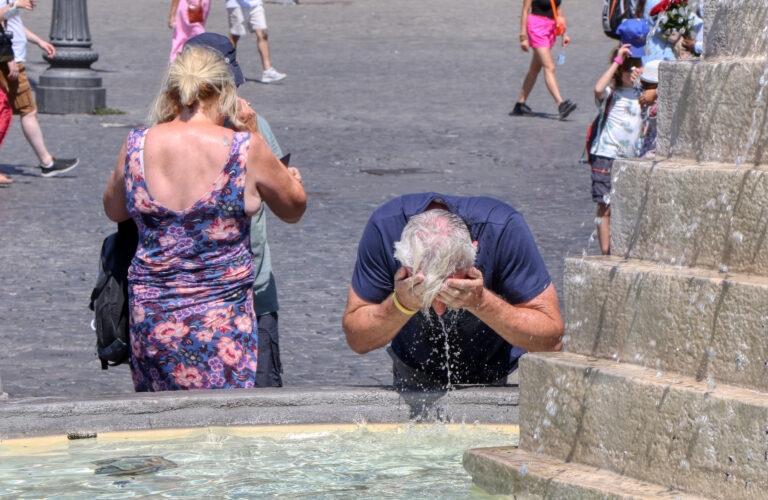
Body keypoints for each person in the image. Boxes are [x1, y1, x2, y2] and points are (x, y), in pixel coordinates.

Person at [102, 44, 306, 391]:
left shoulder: (136, 144)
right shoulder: (244, 147)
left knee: (164, 427)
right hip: (221, 320)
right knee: (225, 430)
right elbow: (293, 208)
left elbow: (114, 209)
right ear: (224, 91)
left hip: (154, 320)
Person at [342, 194, 564, 390]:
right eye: (425, 294)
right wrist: (401, 305)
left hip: (502, 368)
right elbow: (357, 339)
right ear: (402, 262)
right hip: (415, 371)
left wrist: (481, 303)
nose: (439, 309)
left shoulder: (503, 228)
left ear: (474, 252)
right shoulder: (384, 230)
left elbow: (551, 341)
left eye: (453, 289)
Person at [185, 32, 300, 387]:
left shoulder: (251, 121)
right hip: (198, 298)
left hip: (252, 295)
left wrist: (255, 137)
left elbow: (286, 194)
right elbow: (291, 201)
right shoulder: (173, 134)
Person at [0, 0, 78, 177]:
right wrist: (9, 58)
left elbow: (13, 25)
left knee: (26, 111)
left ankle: (47, 161)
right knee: (24, 111)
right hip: (9, 61)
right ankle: (47, 162)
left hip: (12, 58)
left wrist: (38, 41)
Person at [590, 41, 645, 255]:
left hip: (630, 158)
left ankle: (621, 248)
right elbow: (597, 88)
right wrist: (617, 61)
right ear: (621, 70)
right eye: (630, 67)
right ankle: (605, 252)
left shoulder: (642, 95)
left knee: (626, 205)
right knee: (605, 206)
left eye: (638, 66)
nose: (635, 71)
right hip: (606, 154)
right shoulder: (612, 93)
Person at [511, 0, 576, 120]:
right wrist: (523, 37)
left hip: (551, 29)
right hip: (536, 28)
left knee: (534, 69)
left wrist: (564, 33)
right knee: (549, 67)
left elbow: (558, 9)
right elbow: (525, 11)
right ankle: (561, 104)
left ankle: (520, 104)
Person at [226, 0, 286, 84]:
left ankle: (267, 71)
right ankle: (229, 68)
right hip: (236, 5)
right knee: (235, 36)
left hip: (256, 4)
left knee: (263, 34)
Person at [638, 58, 659, 158]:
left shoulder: (664, 101)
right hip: (648, 149)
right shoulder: (647, 101)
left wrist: (657, 92)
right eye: (644, 85)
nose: (646, 90)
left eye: (650, 85)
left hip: (657, 151)